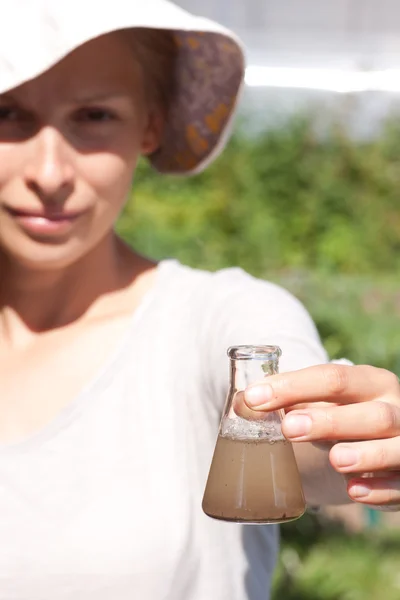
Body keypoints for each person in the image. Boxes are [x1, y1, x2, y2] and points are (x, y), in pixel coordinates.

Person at [0, 1, 398, 599]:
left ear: (150, 127)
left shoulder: (217, 320)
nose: (51, 172)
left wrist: (350, 438)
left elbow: (294, 433)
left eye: (95, 116)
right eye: (7, 113)